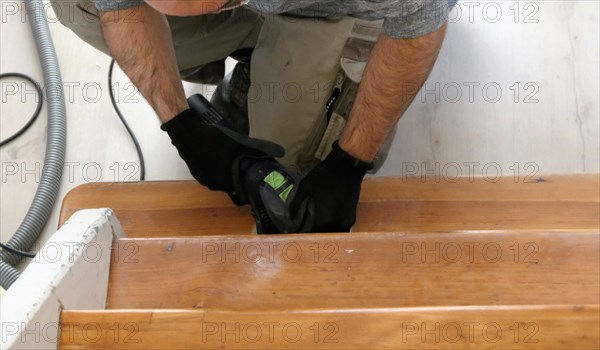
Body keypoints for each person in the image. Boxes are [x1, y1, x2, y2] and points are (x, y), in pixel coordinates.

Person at [51, 0, 456, 232]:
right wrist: (181, 124)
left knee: (301, 191)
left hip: (342, 9)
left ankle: (293, 61)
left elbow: (418, 26)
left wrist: (349, 163)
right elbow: (118, 8)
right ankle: (258, 57)